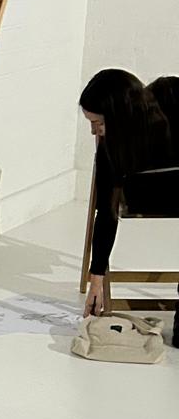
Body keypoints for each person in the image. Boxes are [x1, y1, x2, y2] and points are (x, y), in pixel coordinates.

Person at [79, 69, 177, 318]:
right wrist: (96, 278)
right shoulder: (109, 148)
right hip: (144, 196)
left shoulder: (172, 100)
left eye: (98, 123)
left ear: (120, 116)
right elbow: (107, 211)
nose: (93, 132)